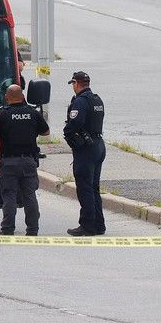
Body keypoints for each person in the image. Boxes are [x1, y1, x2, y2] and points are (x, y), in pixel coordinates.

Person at [0, 84, 50, 236]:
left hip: (9, 161)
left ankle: (8, 229)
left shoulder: (1, 115)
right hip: (29, 161)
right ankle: (32, 229)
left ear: (6, 98)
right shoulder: (32, 113)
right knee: (29, 195)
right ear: (23, 97)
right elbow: (46, 131)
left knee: (9, 196)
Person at [63, 71, 106, 236]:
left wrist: (67, 131)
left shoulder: (80, 101)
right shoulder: (96, 99)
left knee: (85, 188)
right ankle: (98, 224)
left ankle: (87, 225)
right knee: (94, 187)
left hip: (86, 149)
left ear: (76, 83)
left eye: (73, 84)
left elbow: (76, 123)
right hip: (98, 144)